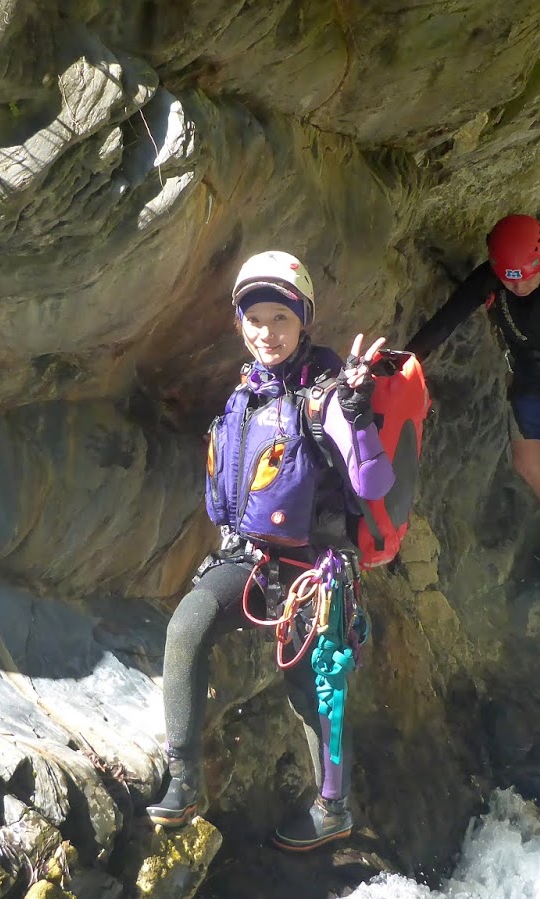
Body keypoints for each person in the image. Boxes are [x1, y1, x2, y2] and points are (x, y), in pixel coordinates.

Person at [146, 250, 394, 852]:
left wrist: (358, 415)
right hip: (250, 558)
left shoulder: (326, 396)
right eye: (254, 319)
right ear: (239, 325)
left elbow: (375, 484)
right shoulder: (246, 393)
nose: (266, 333)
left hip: (314, 568)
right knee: (186, 627)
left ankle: (334, 808)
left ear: (303, 320)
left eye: (280, 318)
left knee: (311, 689)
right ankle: (184, 779)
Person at [403, 214, 540, 603]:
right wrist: (402, 359)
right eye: (509, 279)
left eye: (525, 277)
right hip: (532, 376)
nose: (518, 286)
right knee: (527, 464)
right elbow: (446, 320)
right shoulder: (492, 276)